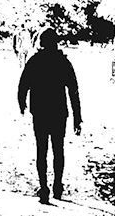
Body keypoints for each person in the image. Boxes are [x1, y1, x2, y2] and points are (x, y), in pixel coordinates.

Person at [18, 29, 82, 205]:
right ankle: (57, 186)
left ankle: (44, 188)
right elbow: (73, 91)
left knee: (42, 150)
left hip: (40, 112)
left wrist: (22, 103)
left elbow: (23, 84)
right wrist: (77, 117)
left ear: (41, 42)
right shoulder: (63, 62)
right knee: (58, 150)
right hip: (59, 112)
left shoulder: (34, 61)